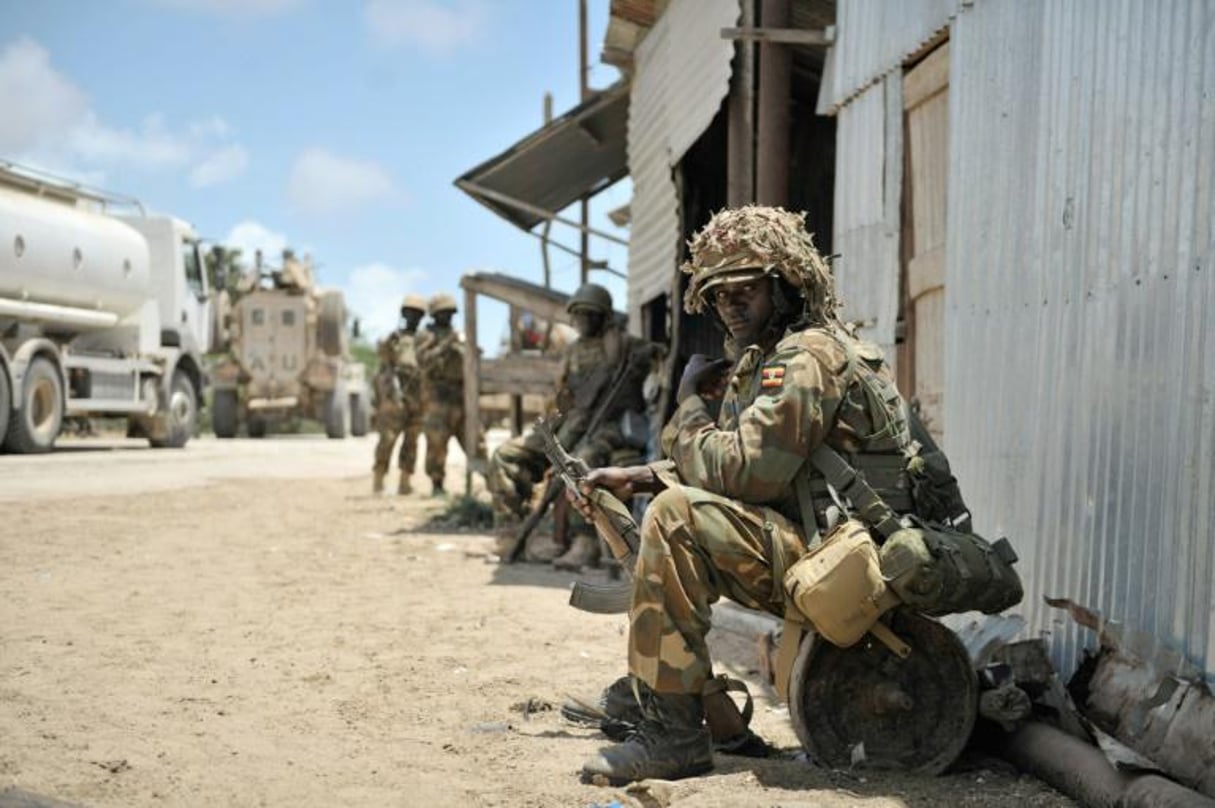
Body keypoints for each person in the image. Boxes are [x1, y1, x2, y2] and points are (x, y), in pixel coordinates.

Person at [571, 206, 921, 785]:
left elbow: (745, 475)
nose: (730, 306)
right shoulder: (765, 360)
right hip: (815, 544)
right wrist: (632, 477)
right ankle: (672, 698)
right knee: (667, 505)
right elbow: (729, 462)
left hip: (840, 556)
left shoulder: (808, 358)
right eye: (718, 294)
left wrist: (686, 405)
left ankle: (675, 737)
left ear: (785, 287)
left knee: (675, 519)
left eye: (747, 290)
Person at [487, 283, 655, 567]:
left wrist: (648, 360)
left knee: (581, 464)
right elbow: (563, 398)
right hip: (570, 426)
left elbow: (661, 355)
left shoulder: (623, 344)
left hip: (609, 427)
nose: (582, 320)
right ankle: (512, 531)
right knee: (505, 454)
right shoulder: (572, 351)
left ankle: (584, 540)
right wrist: (551, 426)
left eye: (590, 314)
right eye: (578, 314)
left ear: (603, 316)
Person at [417, 293, 484, 495]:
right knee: (436, 444)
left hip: (462, 396)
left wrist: (466, 348)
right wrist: (446, 346)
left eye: (450, 313)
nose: (447, 317)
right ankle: (437, 485)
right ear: (434, 314)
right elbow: (423, 361)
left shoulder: (459, 334)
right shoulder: (425, 336)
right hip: (438, 398)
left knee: (476, 441)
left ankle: (491, 480)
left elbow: (474, 358)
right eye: (443, 313)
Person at [371, 294, 427, 494]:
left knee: (411, 442)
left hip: (418, 397)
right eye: (410, 313)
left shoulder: (424, 340)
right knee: (387, 439)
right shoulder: (394, 339)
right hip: (396, 396)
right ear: (403, 314)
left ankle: (405, 482)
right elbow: (384, 368)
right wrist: (387, 395)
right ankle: (379, 479)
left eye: (418, 314)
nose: (414, 317)